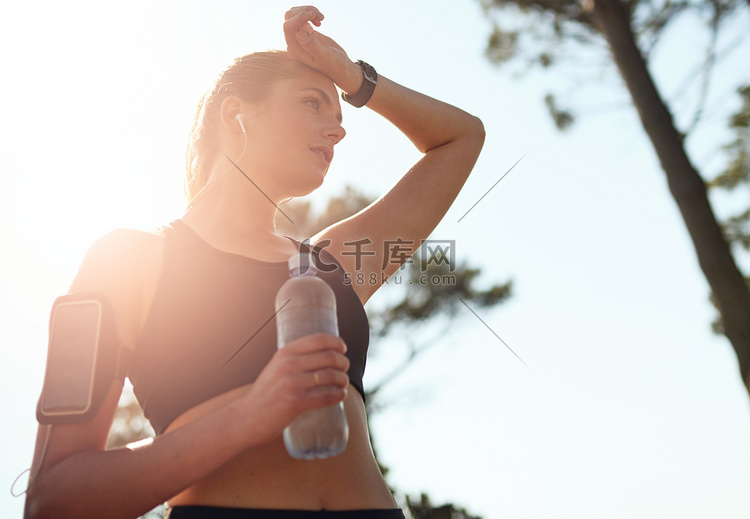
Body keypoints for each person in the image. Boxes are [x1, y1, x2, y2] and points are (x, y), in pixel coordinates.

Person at [24, 6, 485, 519]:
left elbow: (461, 139)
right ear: (234, 113)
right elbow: (53, 499)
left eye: (340, 118)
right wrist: (249, 414)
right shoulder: (128, 258)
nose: (338, 132)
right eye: (313, 103)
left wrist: (355, 79)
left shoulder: (336, 265)